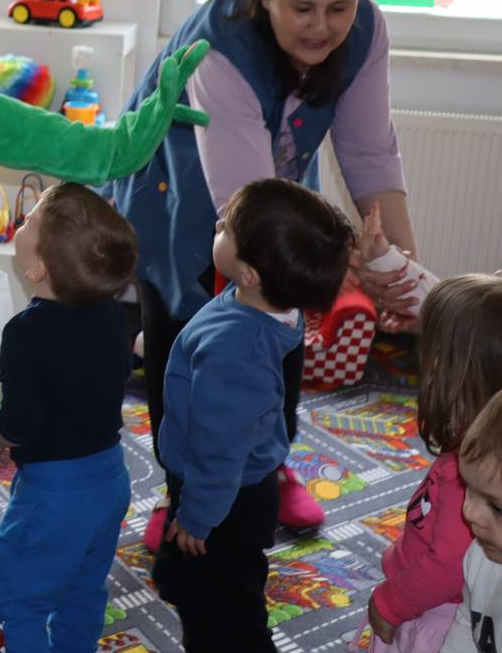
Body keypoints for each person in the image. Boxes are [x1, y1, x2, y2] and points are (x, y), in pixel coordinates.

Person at [112, 0, 423, 544]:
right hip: (184, 194)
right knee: (190, 344)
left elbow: (369, 152)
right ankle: (183, 490)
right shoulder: (221, 45)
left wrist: (400, 268)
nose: (322, 26)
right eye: (302, 8)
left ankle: (268, 465)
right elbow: (246, 207)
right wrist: (337, 263)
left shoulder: (365, 31)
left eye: (339, 7)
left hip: (271, 199)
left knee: (278, 328)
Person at [152, 178, 355, 653]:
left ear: (248, 273)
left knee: (226, 611)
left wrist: (199, 516)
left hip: (225, 496)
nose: (218, 225)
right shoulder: (268, 306)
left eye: (228, 229)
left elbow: (218, 451)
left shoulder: (234, 352)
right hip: (234, 480)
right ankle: (178, 570)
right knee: (191, 575)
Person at [0, 183, 137, 653]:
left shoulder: (24, 333)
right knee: (83, 589)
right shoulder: (114, 316)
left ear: (37, 269)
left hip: (55, 495)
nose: (23, 220)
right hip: (110, 480)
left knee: (17, 600)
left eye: (30, 220)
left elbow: (22, 418)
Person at [368, 275, 502, 652]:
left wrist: (390, 603)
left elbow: (449, 565)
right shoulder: (472, 448)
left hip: (431, 617)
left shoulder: (478, 476)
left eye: (435, 351)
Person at [441, 389, 502, 652]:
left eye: (497, 508)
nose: (469, 512)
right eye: (469, 488)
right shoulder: (480, 557)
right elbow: (468, 623)